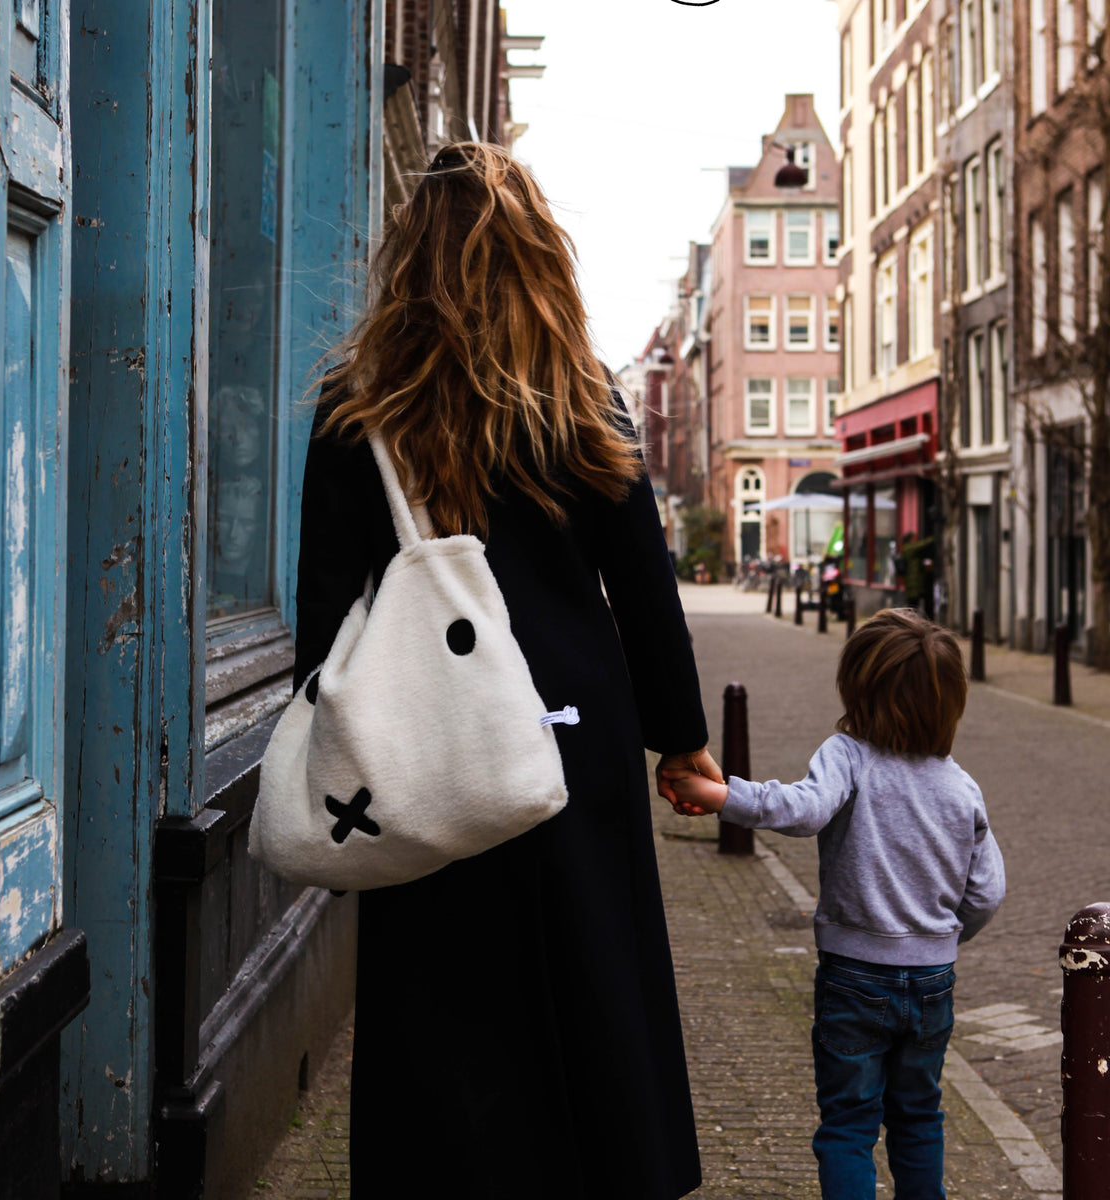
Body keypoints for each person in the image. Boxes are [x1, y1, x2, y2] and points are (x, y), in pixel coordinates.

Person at [294, 142, 720, 1199]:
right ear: (539, 257)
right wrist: (681, 738)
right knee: (593, 981)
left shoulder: (359, 408)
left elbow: (324, 620)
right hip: (574, 739)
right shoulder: (582, 398)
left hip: (429, 746)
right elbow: (645, 588)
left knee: (437, 998)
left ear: (406, 260)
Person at [658, 608, 1005, 1200]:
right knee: (920, 1118)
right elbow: (987, 892)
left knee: (849, 1124)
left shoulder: (849, 755)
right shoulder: (961, 786)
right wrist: (939, 941)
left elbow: (802, 809)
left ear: (859, 689)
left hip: (854, 979)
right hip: (932, 981)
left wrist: (723, 796)